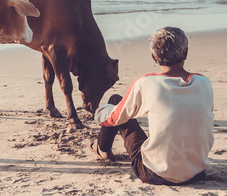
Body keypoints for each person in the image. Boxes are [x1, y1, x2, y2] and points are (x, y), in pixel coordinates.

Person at [91, 26, 213, 185]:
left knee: (115, 101)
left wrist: (98, 111)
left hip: (154, 173)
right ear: (186, 53)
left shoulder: (147, 83)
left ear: (153, 57)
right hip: (197, 172)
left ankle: (103, 149)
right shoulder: (204, 83)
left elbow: (113, 118)